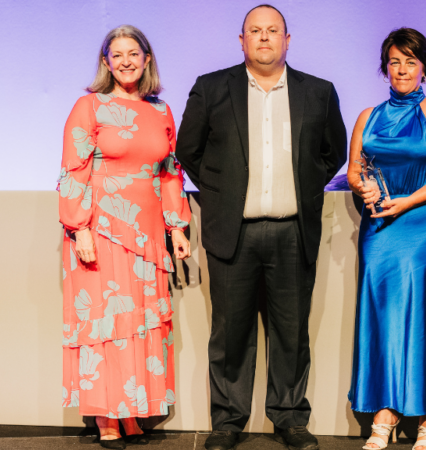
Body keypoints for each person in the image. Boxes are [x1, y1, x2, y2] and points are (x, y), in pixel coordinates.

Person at [174, 4, 347, 450]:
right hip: (234, 232)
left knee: (291, 333)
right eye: (256, 30)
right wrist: (222, 194)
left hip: (293, 231)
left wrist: (304, 188)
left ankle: (289, 418)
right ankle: (228, 421)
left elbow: (333, 152)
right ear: (242, 40)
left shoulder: (319, 91)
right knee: (230, 334)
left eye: (274, 31)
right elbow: (188, 151)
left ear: (288, 40)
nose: (265, 37)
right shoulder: (212, 88)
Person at [58, 25, 191, 449]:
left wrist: (178, 228)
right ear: (106, 63)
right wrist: (78, 229)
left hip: (148, 236)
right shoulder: (89, 107)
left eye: (134, 53)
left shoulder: (162, 111)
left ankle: (131, 413)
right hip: (100, 230)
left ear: (147, 59)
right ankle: (106, 418)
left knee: (138, 326)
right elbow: (73, 171)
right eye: (117, 55)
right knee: (106, 324)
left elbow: (169, 172)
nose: (127, 61)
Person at [347, 28, 426, 450]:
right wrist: (363, 188)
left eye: (410, 62)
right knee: (382, 316)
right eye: (394, 61)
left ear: (424, 68)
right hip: (378, 229)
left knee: (422, 314)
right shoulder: (368, 116)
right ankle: (385, 411)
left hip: (420, 228)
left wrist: (406, 201)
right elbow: (355, 169)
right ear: (385, 67)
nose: (402, 69)